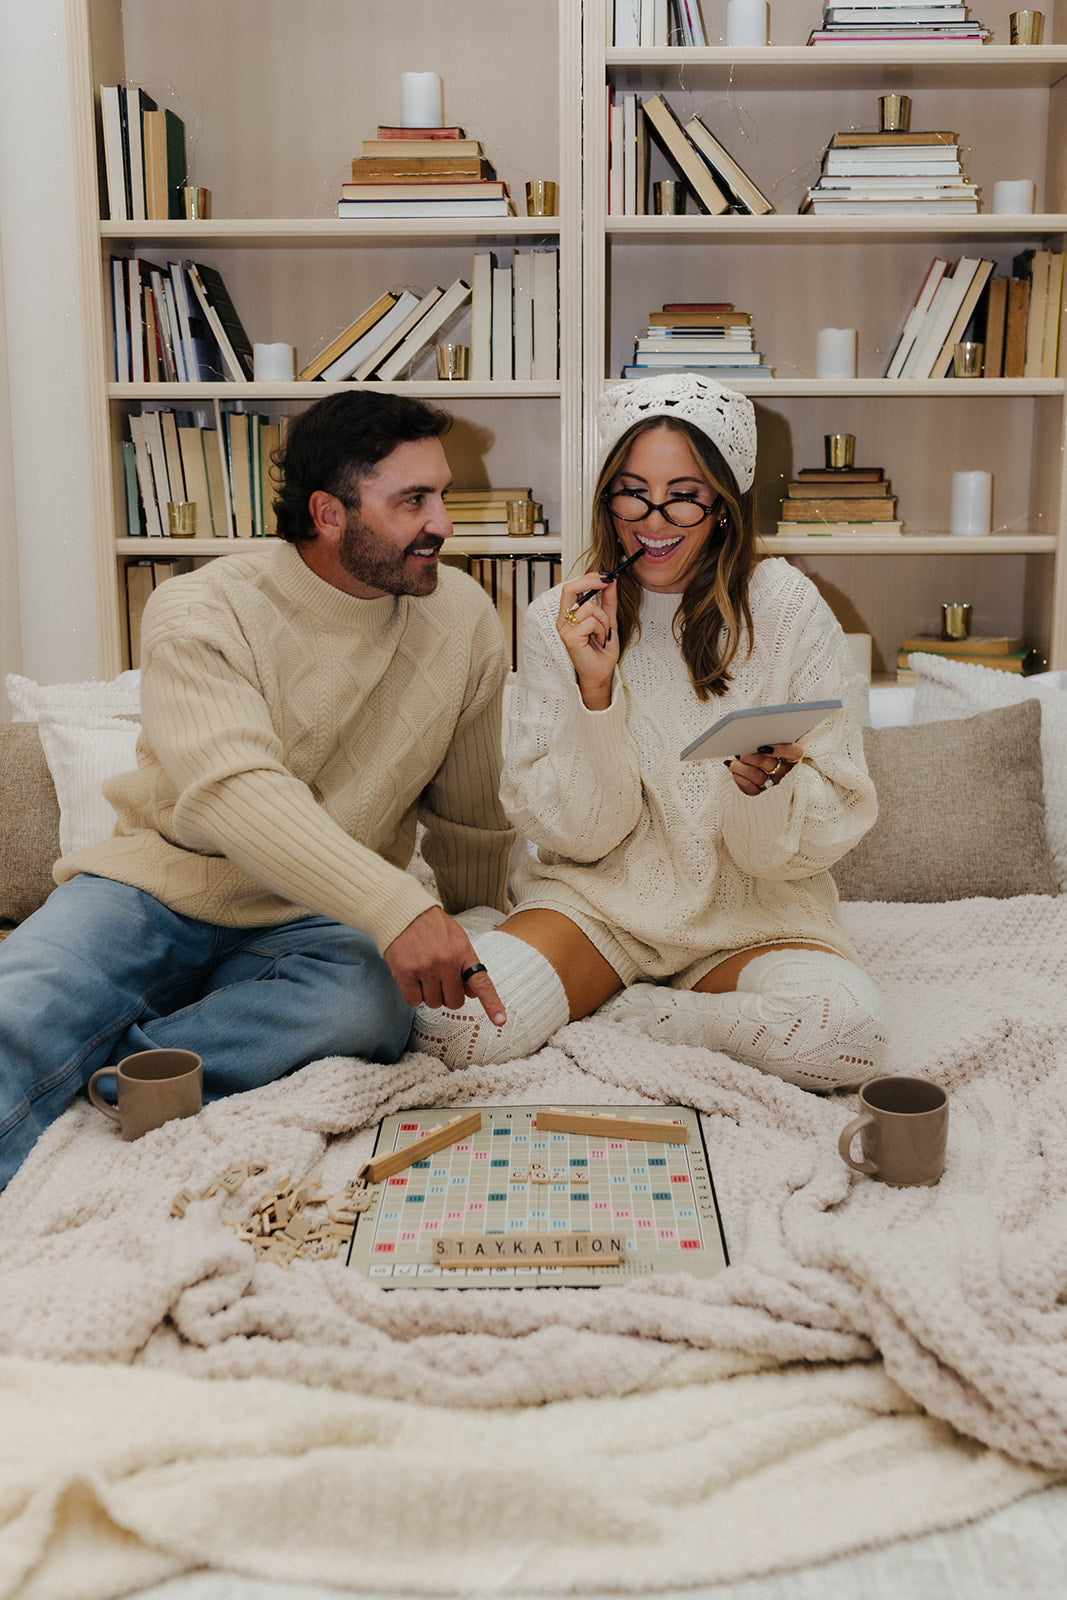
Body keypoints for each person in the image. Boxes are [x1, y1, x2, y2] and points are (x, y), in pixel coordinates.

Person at [0, 390, 514, 1189]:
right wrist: (399, 907)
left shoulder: (466, 618)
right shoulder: (201, 607)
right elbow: (233, 789)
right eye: (413, 500)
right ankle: (84, 1042)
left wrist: (476, 934)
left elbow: (470, 818)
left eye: (440, 494)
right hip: (154, 889)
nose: (442, 523)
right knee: (16, 1007)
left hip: (318, 918)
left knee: (368, 1007)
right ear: (329, 512)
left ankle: (126, 1065)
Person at [411, 373, 887, 1091]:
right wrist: (594, 693)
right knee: (450, 1025)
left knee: (847, 1037)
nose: (652, 520)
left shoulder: (786, 607)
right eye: (630, 490)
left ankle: (654, 1012)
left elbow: (816, 826)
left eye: (683, 495)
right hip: (596, 907)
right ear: (606, 495)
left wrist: (759, 791)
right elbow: (581, 836)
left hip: (753, 914)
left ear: (724, 504)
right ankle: (591, 982)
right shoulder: (559, 620)